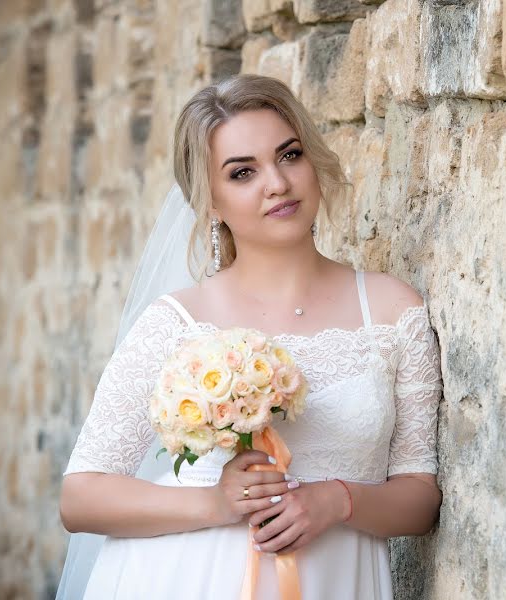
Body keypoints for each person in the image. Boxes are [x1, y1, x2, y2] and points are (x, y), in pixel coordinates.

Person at [55, 73, 443, 599]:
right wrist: (215, 503)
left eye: (289, 155)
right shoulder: (176, 323)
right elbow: (81, 498)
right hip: (187, 578)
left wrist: (337, 500)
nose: (277, 184)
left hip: (335, 580)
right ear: (210, 201)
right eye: (243, 172)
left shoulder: (394, 311)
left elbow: (420, 499)